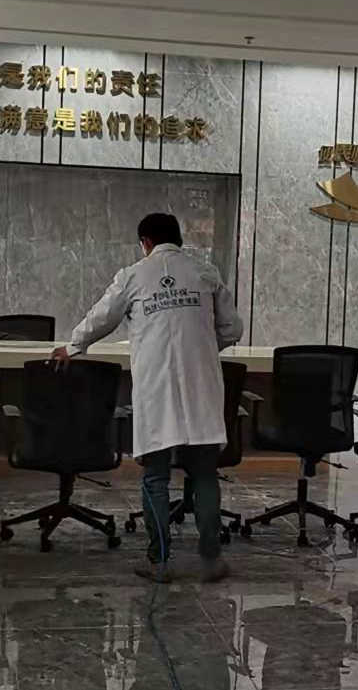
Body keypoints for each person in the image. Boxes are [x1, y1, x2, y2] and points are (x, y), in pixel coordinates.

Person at [52, 212, 244, 583]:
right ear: (179, 239)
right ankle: (211, 560)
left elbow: (102, 317)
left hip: (157, 391)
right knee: (205, 475)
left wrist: (73, 346)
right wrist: (206, 347)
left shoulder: (133, 276)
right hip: (202, 387)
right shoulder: (205, 273)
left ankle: (160, 562)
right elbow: (232, 328)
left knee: (155, 477)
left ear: (146, 243)